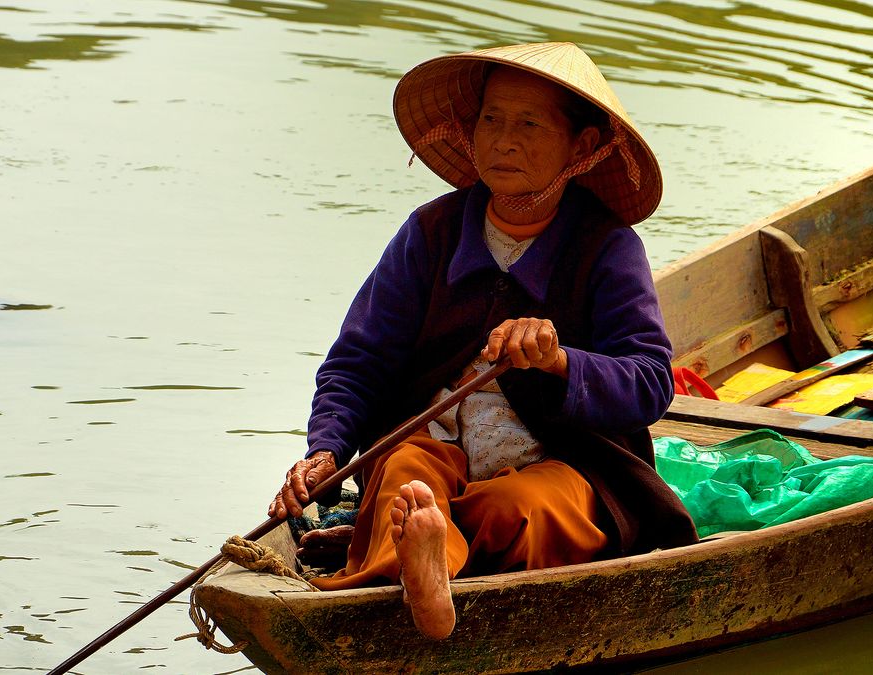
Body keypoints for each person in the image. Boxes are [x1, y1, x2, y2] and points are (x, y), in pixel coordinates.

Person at [267, 42, 697, 640]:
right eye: (491, 119)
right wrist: (328, 450)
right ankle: (422, 572)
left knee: (515, 513)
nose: (504, 140)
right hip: (438, 449)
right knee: (407, 477)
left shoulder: (608, 248)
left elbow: (649, 383)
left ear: (582, 147)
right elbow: (360, 361)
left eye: (528, 123)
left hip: (561, 462)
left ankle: (423, 554)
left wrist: (560, 362)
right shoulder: (431, 232)